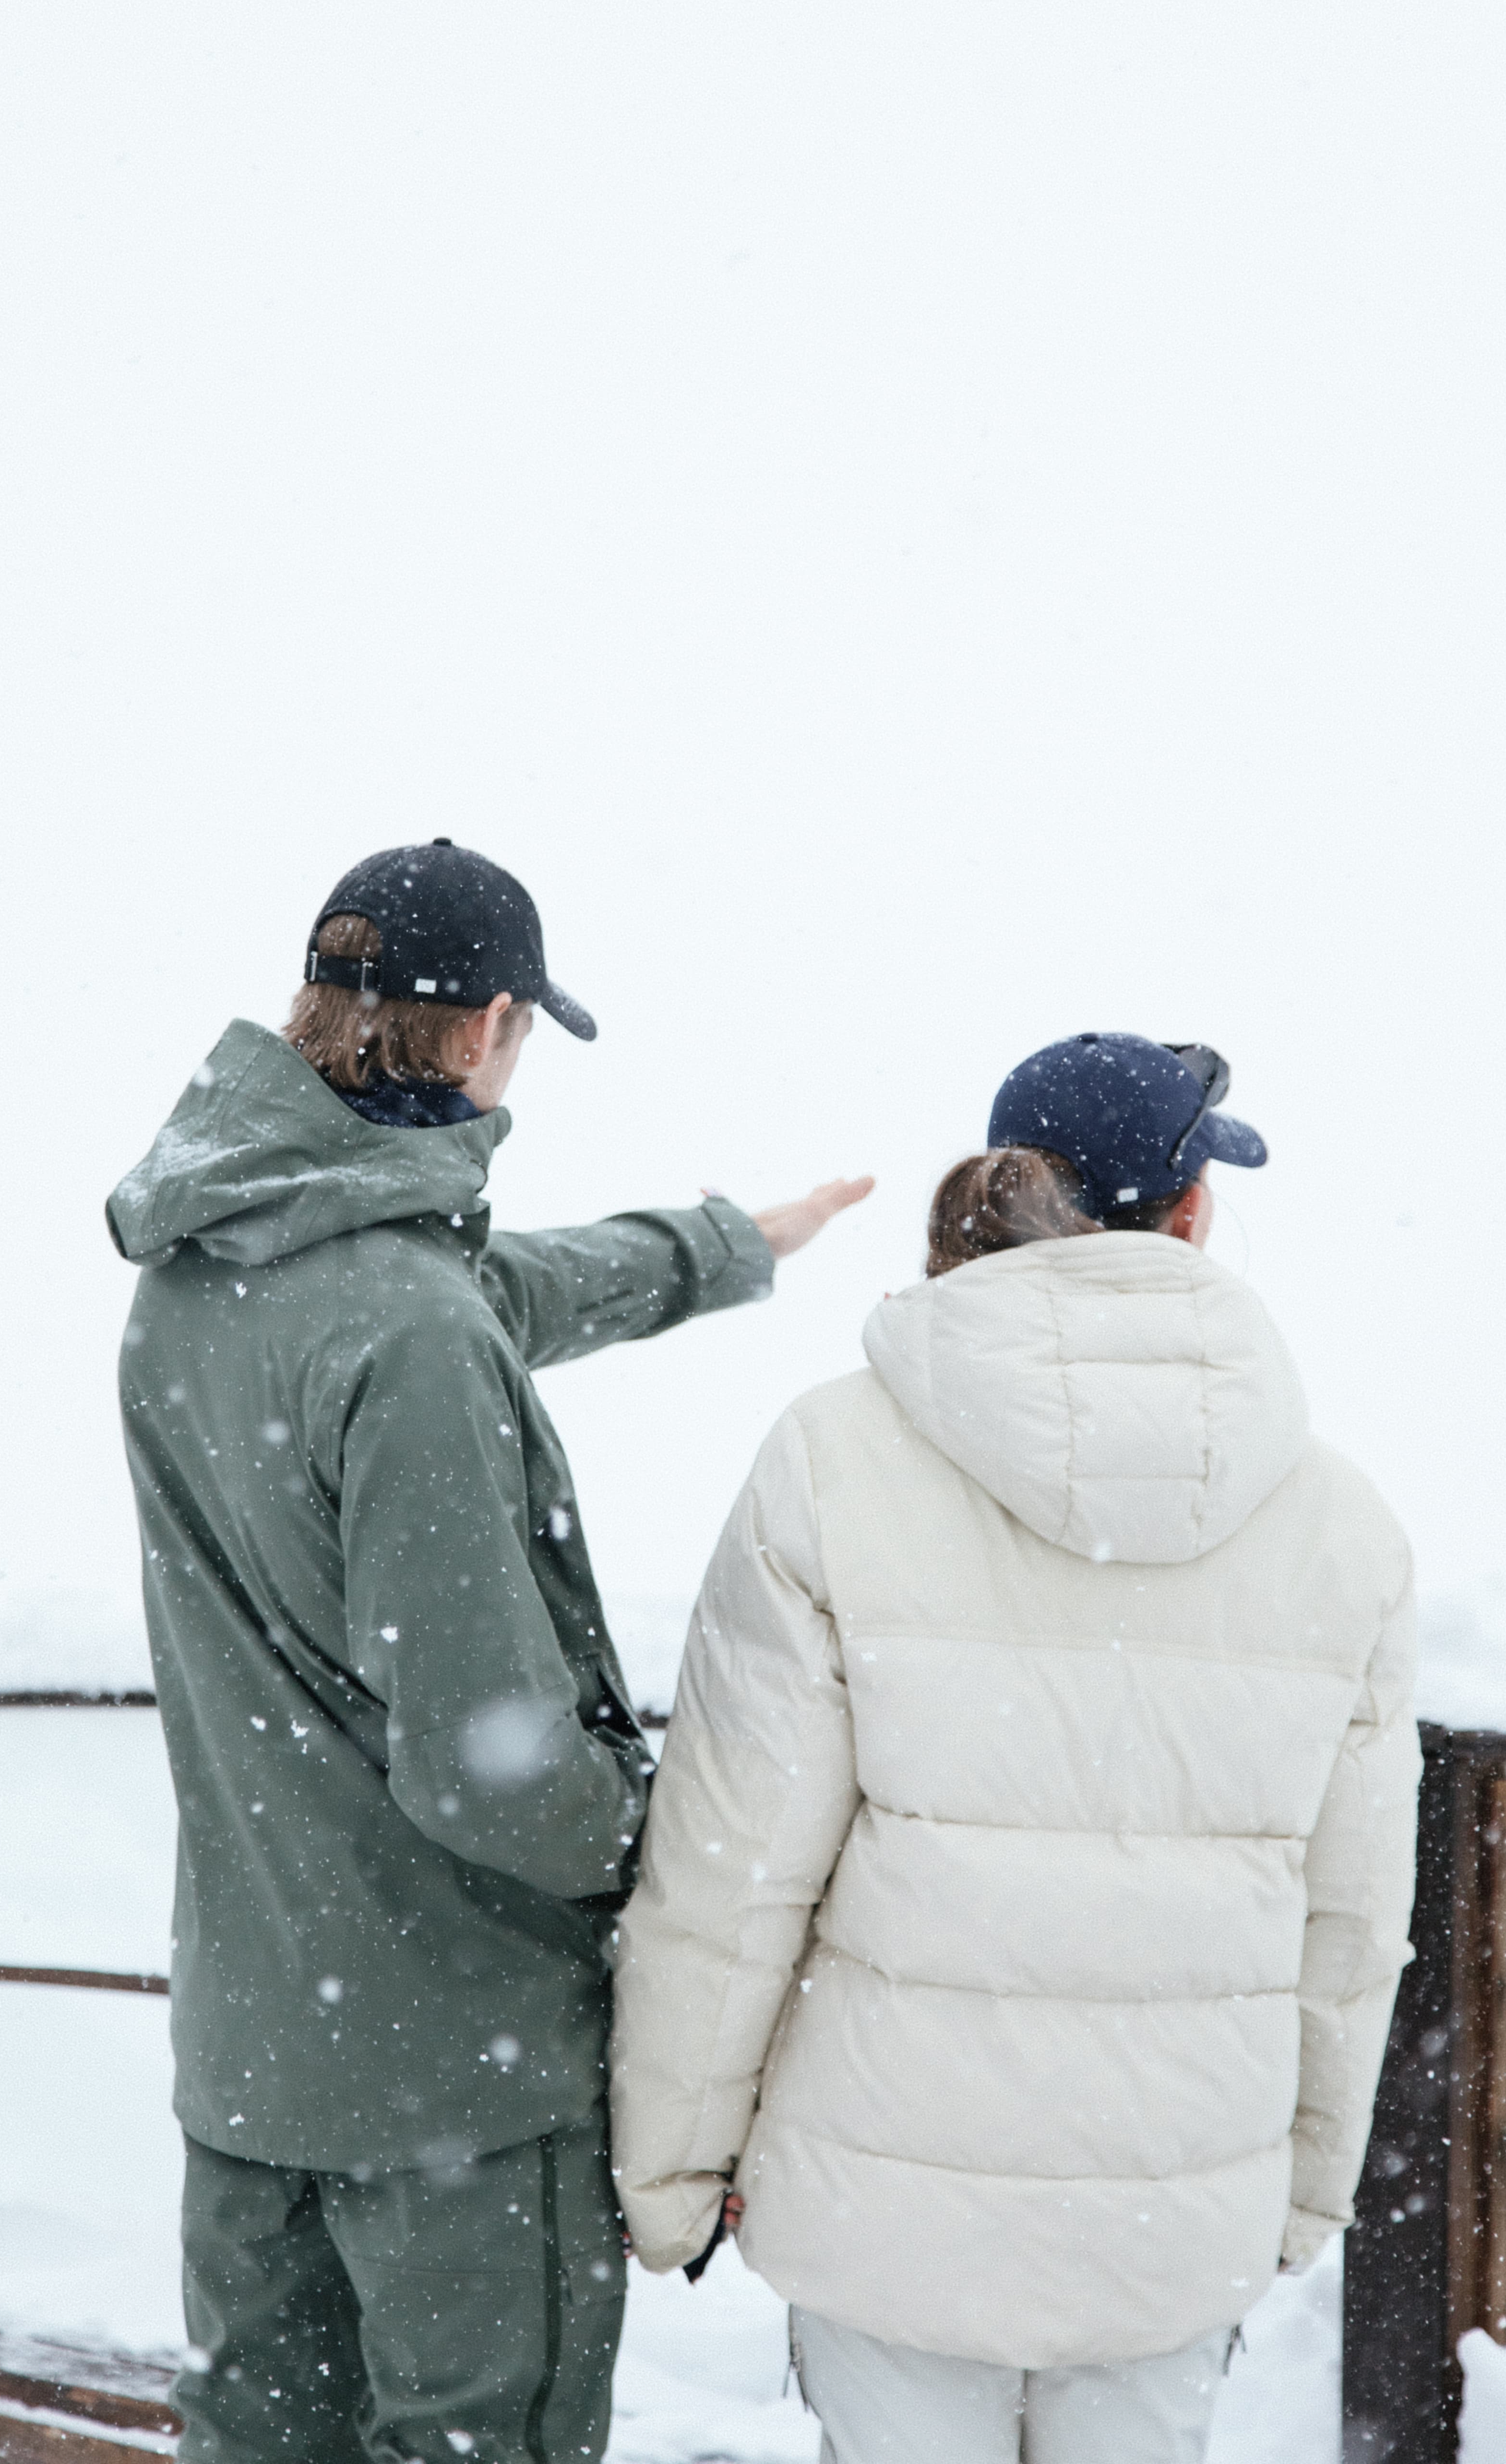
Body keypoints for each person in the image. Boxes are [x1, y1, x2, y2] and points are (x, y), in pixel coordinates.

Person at [107, 838, 871, 2464]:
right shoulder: (407, 1329)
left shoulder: (197, 1278)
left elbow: (484, 1293)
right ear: (483, 1028)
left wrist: (724, 1244)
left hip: (256, 2062)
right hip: (451, 2079)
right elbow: (485, 1767)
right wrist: (673, 1843)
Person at [610, 1032, 1420, 2464]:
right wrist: (1301, 2191)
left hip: (883, 2203)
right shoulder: (1340, 1521)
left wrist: (673, 2171)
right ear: (1191, 1215)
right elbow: (1352, 1920)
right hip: (1176, 2205)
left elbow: (735, 1869)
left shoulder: (834, 1459)